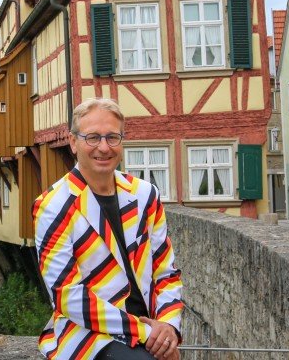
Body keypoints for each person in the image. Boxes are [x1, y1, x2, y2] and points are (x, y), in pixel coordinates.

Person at [34, 98, 183, 360]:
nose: (104, 147)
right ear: (73, 142)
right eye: (92, 137)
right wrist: (146, 332)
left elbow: (165, 272)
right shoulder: (53, 205)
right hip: (89, 334)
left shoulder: (145, 195)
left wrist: (169, 326)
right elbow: (66, 296)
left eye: (112, 137)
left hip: (150, 325)